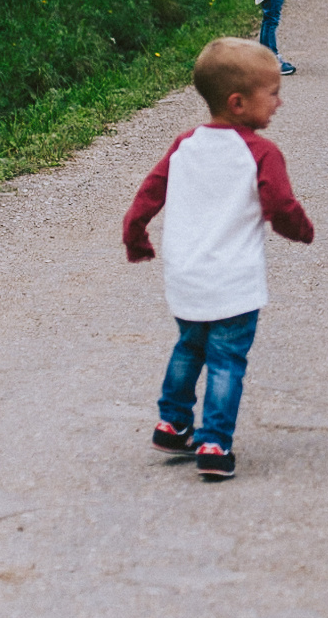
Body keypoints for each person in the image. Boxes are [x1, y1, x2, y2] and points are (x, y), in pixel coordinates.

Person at [122, 37, 315, 481]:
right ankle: (214, 441)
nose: (280, 102)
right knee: (227, 360)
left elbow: (147, 195)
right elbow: (281, 206)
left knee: (189, 347)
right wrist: (302, 231)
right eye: (273, 93)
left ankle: (172, 423)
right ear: (238, 102)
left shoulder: (185, 145)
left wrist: (136, 236)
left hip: (186, 277)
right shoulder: (262, 153)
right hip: (233, 282)